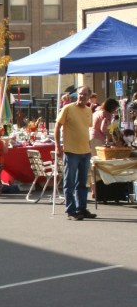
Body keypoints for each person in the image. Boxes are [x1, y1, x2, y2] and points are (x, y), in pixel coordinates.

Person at [54, 84, 96, 221]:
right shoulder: (68, 108)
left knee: (82, 183)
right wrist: (58, 146)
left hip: (85, 151)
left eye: (85, 94)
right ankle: (71, 210)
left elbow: (86, 129)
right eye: (80, 94)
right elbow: (58, 126)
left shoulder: (89, 110)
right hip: (71, 151)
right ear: (77, 95)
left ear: (89, 97)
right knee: (70, 182)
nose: (82, 96)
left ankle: (81, 208)